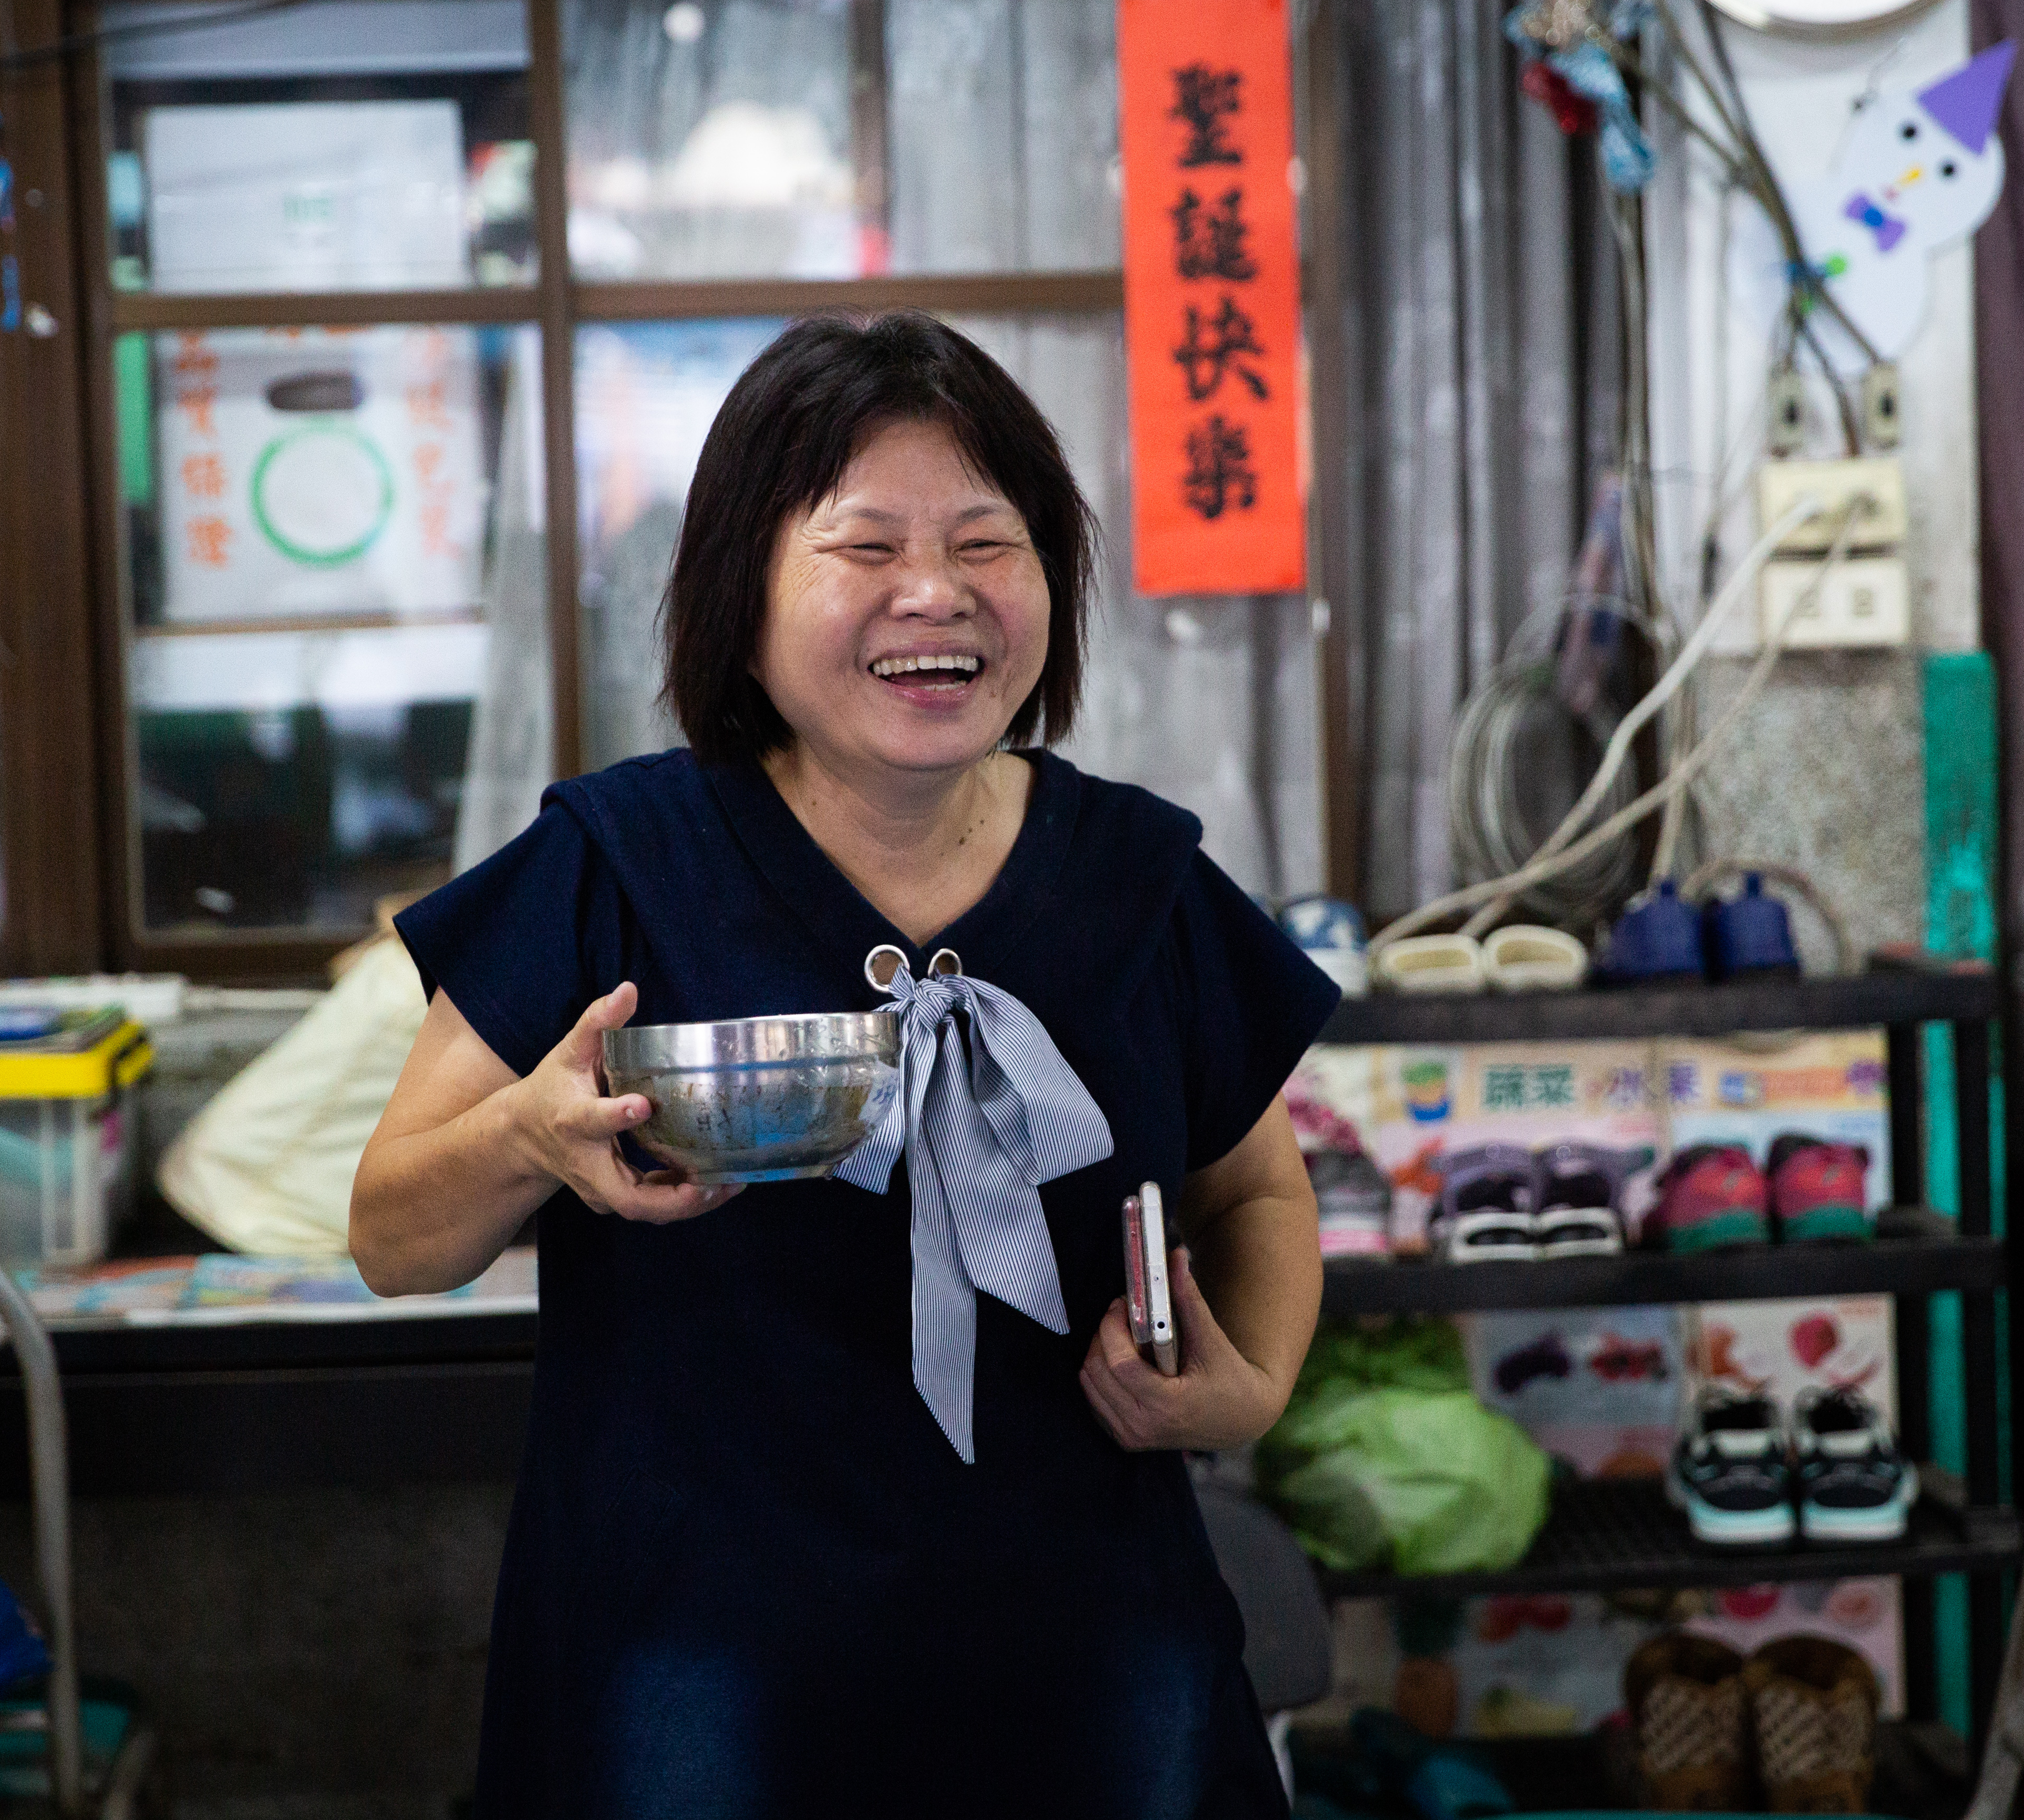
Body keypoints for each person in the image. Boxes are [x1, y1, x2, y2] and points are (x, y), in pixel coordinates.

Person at [352, 311, 1337, 1818]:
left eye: (984, 543)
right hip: (697, 1662)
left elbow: (1258, 1192)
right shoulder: (613, 867)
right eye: (863, 547)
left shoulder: (1137, 883)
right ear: (743, 589)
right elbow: (391, 1238)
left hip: (1082, 1639)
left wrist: (1244, 1391)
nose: (932, 594)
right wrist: (521, 1142)